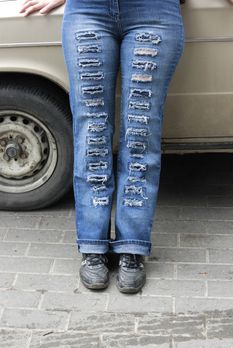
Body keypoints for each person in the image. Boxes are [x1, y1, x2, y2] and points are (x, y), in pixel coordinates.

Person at [19, 0, 185, 294]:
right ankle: (92, 246)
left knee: (141, 132)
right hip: (88, 9)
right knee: (91, 132)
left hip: (154, 12)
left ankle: (131, 247)